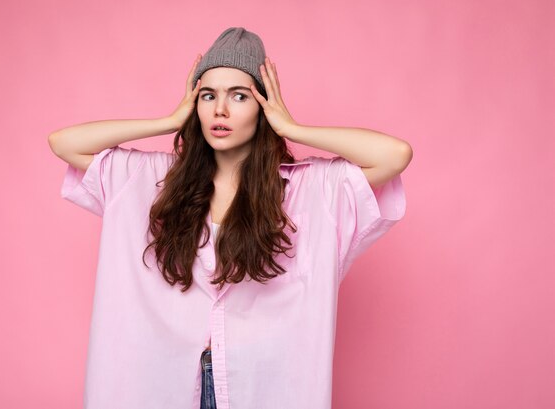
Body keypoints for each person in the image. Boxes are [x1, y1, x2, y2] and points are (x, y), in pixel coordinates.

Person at [48, 26, 411, 409]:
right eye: (208, 96)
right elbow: (63, 143)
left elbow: (395, 154)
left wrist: (292, 128)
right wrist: (168, 122)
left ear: (263, 106)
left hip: (260, 385)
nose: (220, 110)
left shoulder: (310, 191)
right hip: (159, 382)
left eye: (239, 96)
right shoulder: (149, 180)